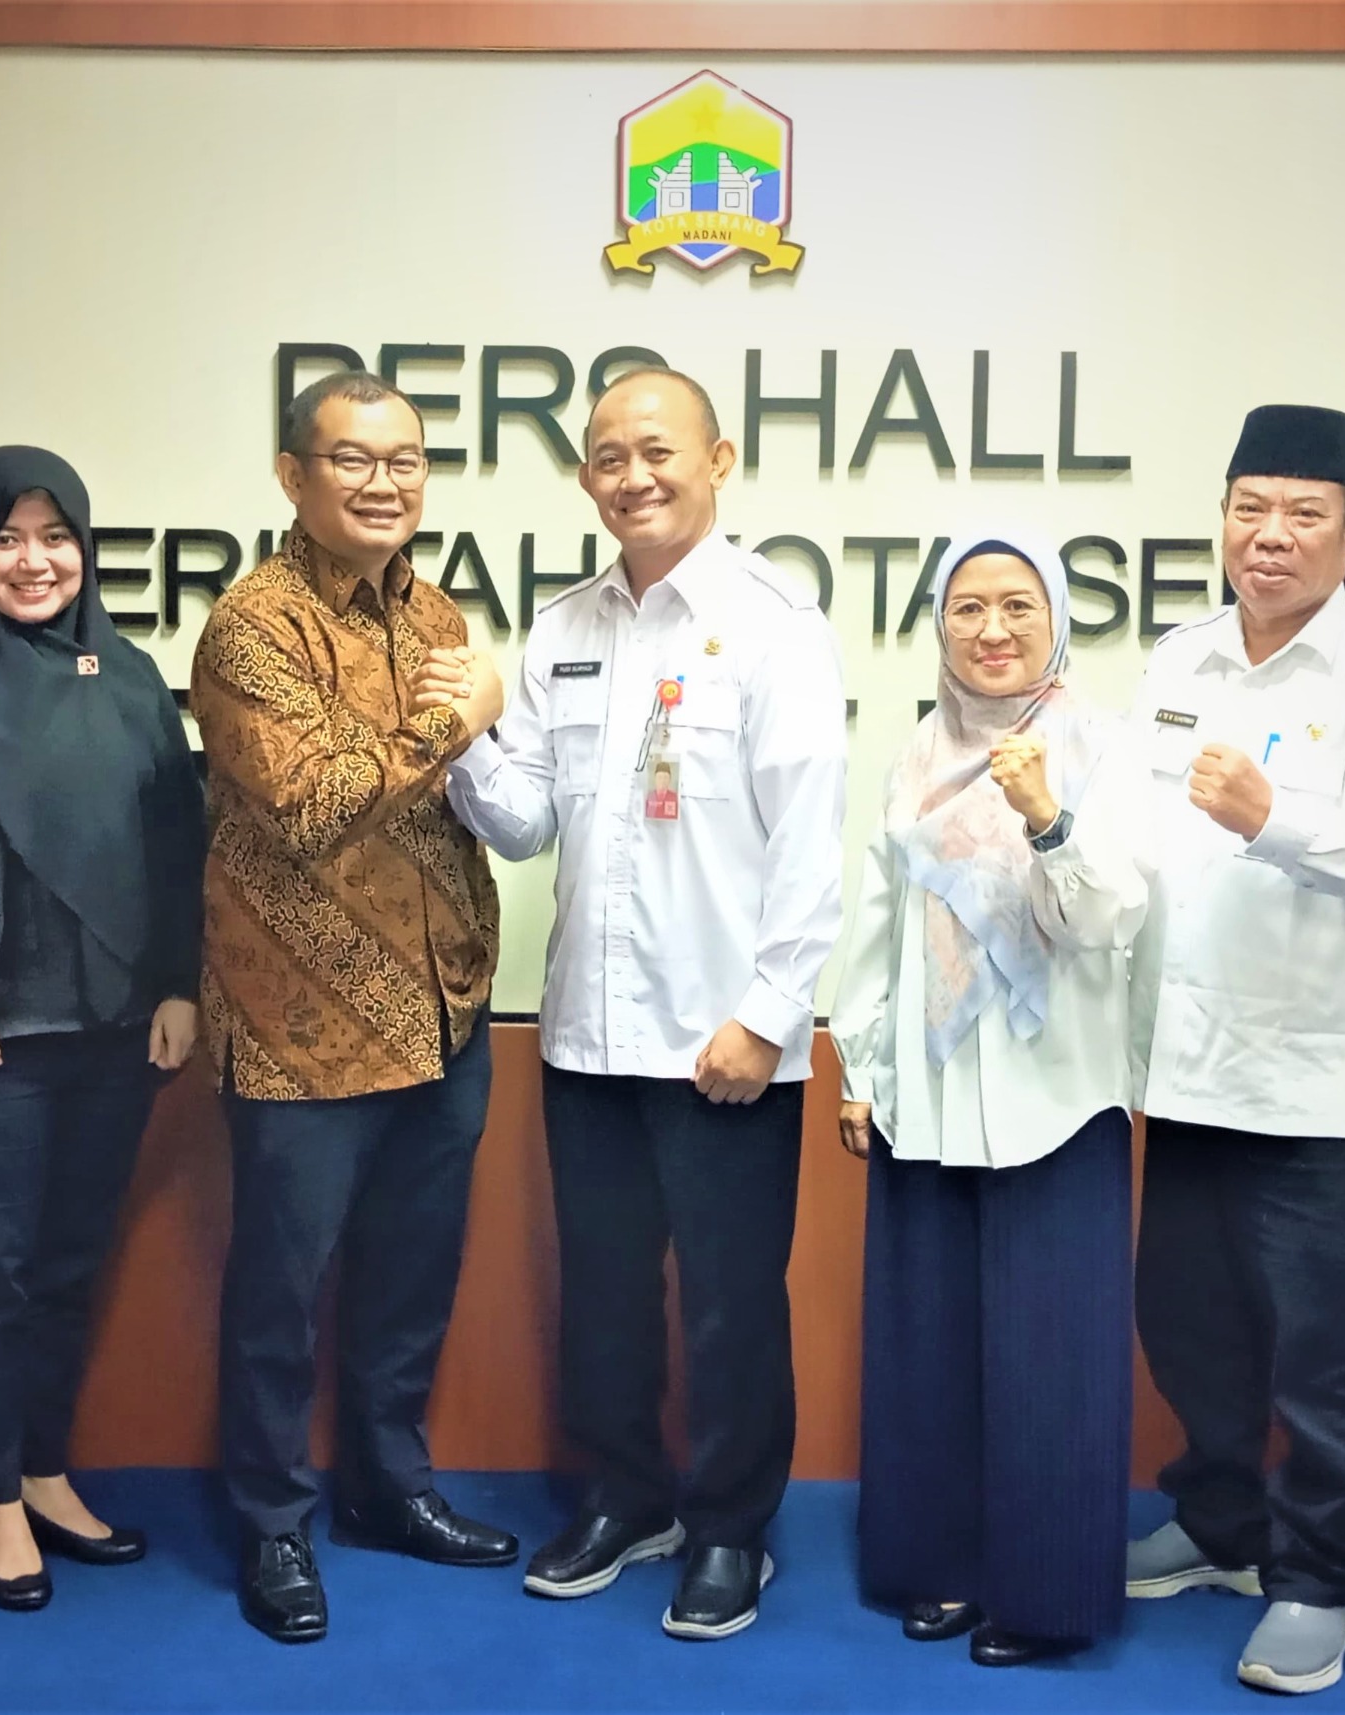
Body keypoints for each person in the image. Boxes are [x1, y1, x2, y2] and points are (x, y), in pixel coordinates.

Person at [434, 365, 847, 1641]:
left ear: (717, 461)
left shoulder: (776, 621)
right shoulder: (563, 627)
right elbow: (525, 822)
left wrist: (768, 1015)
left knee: (731, 1303)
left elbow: (810, 840)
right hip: (588, 1031)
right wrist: (464, 737)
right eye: (609, 456)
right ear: (584, 478)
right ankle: (627, 1496)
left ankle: (729, 1529)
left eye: (658, 450)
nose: (634, 475)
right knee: (605, 1290)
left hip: (724, 1037)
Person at [1117, 404, 1345, 1697]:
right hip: (1182, 1066)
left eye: (1304, 513)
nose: (1271, 535)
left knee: (1322, 1353)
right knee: (1187, 1322)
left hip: (1314, 1081)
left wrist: (1276, 817)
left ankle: (1320, 1575)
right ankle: (1219, 1520)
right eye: (1249, 507)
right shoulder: (1180, 657)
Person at [194, 372, 515, 1646]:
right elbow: (314, 805)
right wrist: (456, 717)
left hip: (443, 1015)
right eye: (352, 459)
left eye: (404, 460)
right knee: (282, 1291)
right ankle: (272, 1516)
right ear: (293, 474)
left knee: (409, 1276)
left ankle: (388, 1484)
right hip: (300, 1027)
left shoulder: (434, 613)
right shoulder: (252, 626)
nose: (383, 483)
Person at [0, 447, 205, 1613]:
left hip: (117, 1028)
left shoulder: (131, 674)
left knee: (68, 1264)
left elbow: (177, 842)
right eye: (6, 537)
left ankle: (42, 1465)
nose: (33, 560)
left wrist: (180, 985)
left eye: (56, 536)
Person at [832, 531, 1148, 1667]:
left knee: (1051, 1352)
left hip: (1055, 1092)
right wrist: (863, 1066)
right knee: (928, 1342)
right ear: (939, 623)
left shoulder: (1100, 747)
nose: (993, 628)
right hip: (927, 1083)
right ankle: (941, 1566)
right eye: (968, 606)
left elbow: (1109, 918)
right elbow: (877, 918)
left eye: (1019, 604)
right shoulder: (917, 750)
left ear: (1057, 617)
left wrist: (1048, 817)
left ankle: (1046, 1593)